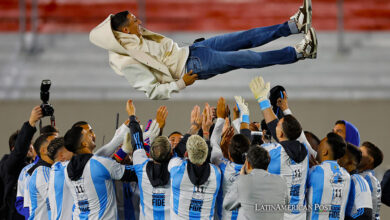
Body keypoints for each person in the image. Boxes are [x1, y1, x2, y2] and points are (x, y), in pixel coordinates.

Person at [89, 0, 317, 100]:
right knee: (246, 57)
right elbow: (151, 91)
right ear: (126, 30)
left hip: (195, 49)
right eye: (134, 20)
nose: (139, 21)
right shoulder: (126, 61)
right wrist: (180, 84)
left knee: (246, 37)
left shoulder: (133, 37)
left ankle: (294, 25)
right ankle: (301, 52)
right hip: (193, 66)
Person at [63, 100, 137, 220]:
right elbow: (139, 172)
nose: (93, 135)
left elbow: (96, 158)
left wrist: (120, 138)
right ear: (83, 143)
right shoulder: (99, 164)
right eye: (89, 133)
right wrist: (144, 144)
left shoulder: (67, 169)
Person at [249, 76, 309, 220]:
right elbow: (294, 132)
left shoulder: (273, 152)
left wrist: (246, 123)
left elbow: (249, 155)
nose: (274, 125)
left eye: (277, 125)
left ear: (281, 133)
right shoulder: (305, 151)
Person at [168, 104, 221, 219]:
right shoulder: (216, 173)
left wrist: (195, 126)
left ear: (186, 154)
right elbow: (206, 159)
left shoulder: (176, 168)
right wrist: (206, 130)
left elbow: (178, 150)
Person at [127, 100, 174, 219]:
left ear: (150, 154)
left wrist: (132, 117)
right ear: (171, 154)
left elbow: (136, 141)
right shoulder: (178, 169)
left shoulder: (141, 166)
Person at [210, 97, 250, 219]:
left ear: (230, 153)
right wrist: (241, 117)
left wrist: (221, 118)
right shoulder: (255, 168)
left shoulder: (221, 166)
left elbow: (213, 142)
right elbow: (249, 145)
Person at [223, 145, 287, 220]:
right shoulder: (282, 180)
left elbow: (227, 205)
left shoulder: (243, 182)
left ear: (248, 164)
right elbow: (286, 203)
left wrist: (241, 177)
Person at [0, 106, 42, 220]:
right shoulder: (8, 165)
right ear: (14, 149)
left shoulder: (39, 167)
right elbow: (19, 153)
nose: (29, 147)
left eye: (30, 144)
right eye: (26, 144)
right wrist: (31, 123)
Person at [307, 132, 351, 220]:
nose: (317, 148)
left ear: (325, 151)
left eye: (319, 145)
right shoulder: (347, 175)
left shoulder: (314, 171)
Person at [27, 133, 57, 220]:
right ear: (43, 150)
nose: (59, 146)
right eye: (54, 143)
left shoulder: (54, 169)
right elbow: (54, 199)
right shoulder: (42, 171)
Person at [338, 143, 373, 220]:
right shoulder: (338, 179)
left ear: (351, 161)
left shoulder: (358, 181)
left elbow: (364, 214)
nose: (337, 158)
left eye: (341, 155)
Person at [47, 137, 74, 220]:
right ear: (62, 156)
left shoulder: (56, 170)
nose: (75, 151)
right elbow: (91, 160)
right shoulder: (61, 168)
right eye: (71, 149)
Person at [358, 141, 383, 220]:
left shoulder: (365, 179)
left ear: (370, 160)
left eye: (360, 153)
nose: (355, 155)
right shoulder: (370, 178)